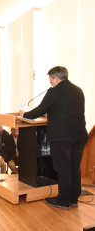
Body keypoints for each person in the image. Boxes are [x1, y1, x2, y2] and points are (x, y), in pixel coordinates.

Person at [20, 66, 88, 210]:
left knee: (63, 169)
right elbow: (67, 110)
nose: (49, 82)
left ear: (56, 78)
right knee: (75, 168)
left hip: (62, 136)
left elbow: (39, 109)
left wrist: (24, 115)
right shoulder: (78, 90)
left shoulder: (54, 92)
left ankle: (62, 201)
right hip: (79, 135)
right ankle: (73, 199)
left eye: (50, 79)